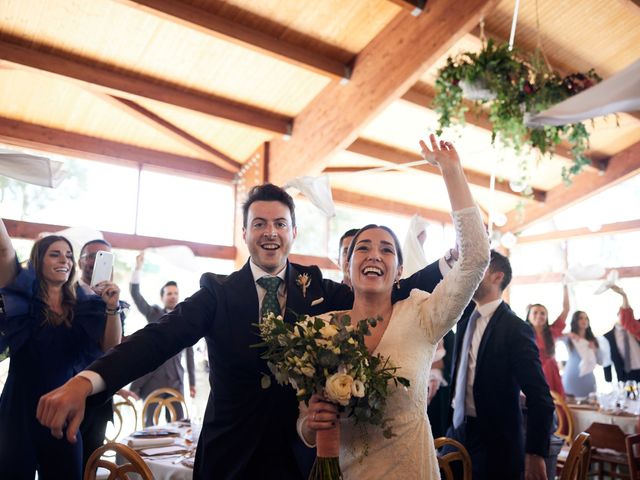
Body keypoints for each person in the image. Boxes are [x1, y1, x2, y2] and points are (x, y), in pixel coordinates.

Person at [36, 180, 447, 479]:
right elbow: (157, 339)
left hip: (297, 460)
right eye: (261, 224)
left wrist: (447, 265)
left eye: (281, 224)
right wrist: (87, 382)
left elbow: (384, 287)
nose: (271, 232)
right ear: (247, 233)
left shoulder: (318, 289)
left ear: (292, 232)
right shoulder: (217, 292)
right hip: (228, 460)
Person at [297, 134, 490, 478]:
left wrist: (451, 171)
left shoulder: (422, 314)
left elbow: (475, 257)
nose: (374, 254)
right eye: (363, 248)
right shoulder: (321, 329)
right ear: (348, 265)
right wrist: (311, 424)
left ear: (399, 271)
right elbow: (305, 428)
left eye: (386, 249)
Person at [0, 219, 122, 480]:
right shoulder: (22, 300)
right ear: (39, 260)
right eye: (55, 254)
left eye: (68, 255)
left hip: (65, 410)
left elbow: (111, 349)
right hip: (19, 412)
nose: (64, 260)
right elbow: (3, 249)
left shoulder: (85, 306)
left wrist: (112, 307)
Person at [447, 250, 555, 480]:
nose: (470, 274)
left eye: (479, 269)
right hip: (457, 433)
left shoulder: (516, 328)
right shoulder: (465, 322)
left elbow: (541, 397)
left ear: (497, 276)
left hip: (495, 443)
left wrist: (535, 453)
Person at [75, 238, 128, 471]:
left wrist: (111, 305)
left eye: (103, 257)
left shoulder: (115, 302)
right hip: (66, 388)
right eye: (91, 256)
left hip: (98, 400)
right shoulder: (65, 296)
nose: (96, 262)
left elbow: (112, 349)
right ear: (80, 262)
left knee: (89, 465)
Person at [128, 252, 196, 426]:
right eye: (169, 293)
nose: (172, 296)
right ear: (162, 297)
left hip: (177, 382)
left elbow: (189, 354)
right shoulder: (154, 314)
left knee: (180, 426)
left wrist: (192, 383)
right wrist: (138, 268)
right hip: (153, 381)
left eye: (175, 293)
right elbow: (135, 294)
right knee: (149, 426)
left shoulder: (186, 318)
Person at [526, 284, 570, 397]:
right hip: (534, 375)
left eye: (543, 313)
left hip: (553, 374)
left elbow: (566, 309)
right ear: (529, 316)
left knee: (557, 408)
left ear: (546, 317)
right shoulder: (523, 334)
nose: (539, 315)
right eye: (535, 312)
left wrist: (565, 286)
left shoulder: (552, 331)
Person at [562, 311, 606, 397]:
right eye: (580, 318)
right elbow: (554, 336)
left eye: (586, 318)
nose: (584, 320)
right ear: (575, 321)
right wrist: (568, 334)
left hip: (588, 380)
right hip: (571, 379)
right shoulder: (569, 339)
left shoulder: (594, 340)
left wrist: (595, 350)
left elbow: (601, 362)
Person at [604, 286, 640, 383]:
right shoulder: (608, 336)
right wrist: (608, 381)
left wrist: (624, 296)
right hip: (626, 374)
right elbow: (606, 359)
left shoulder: (635, 327)